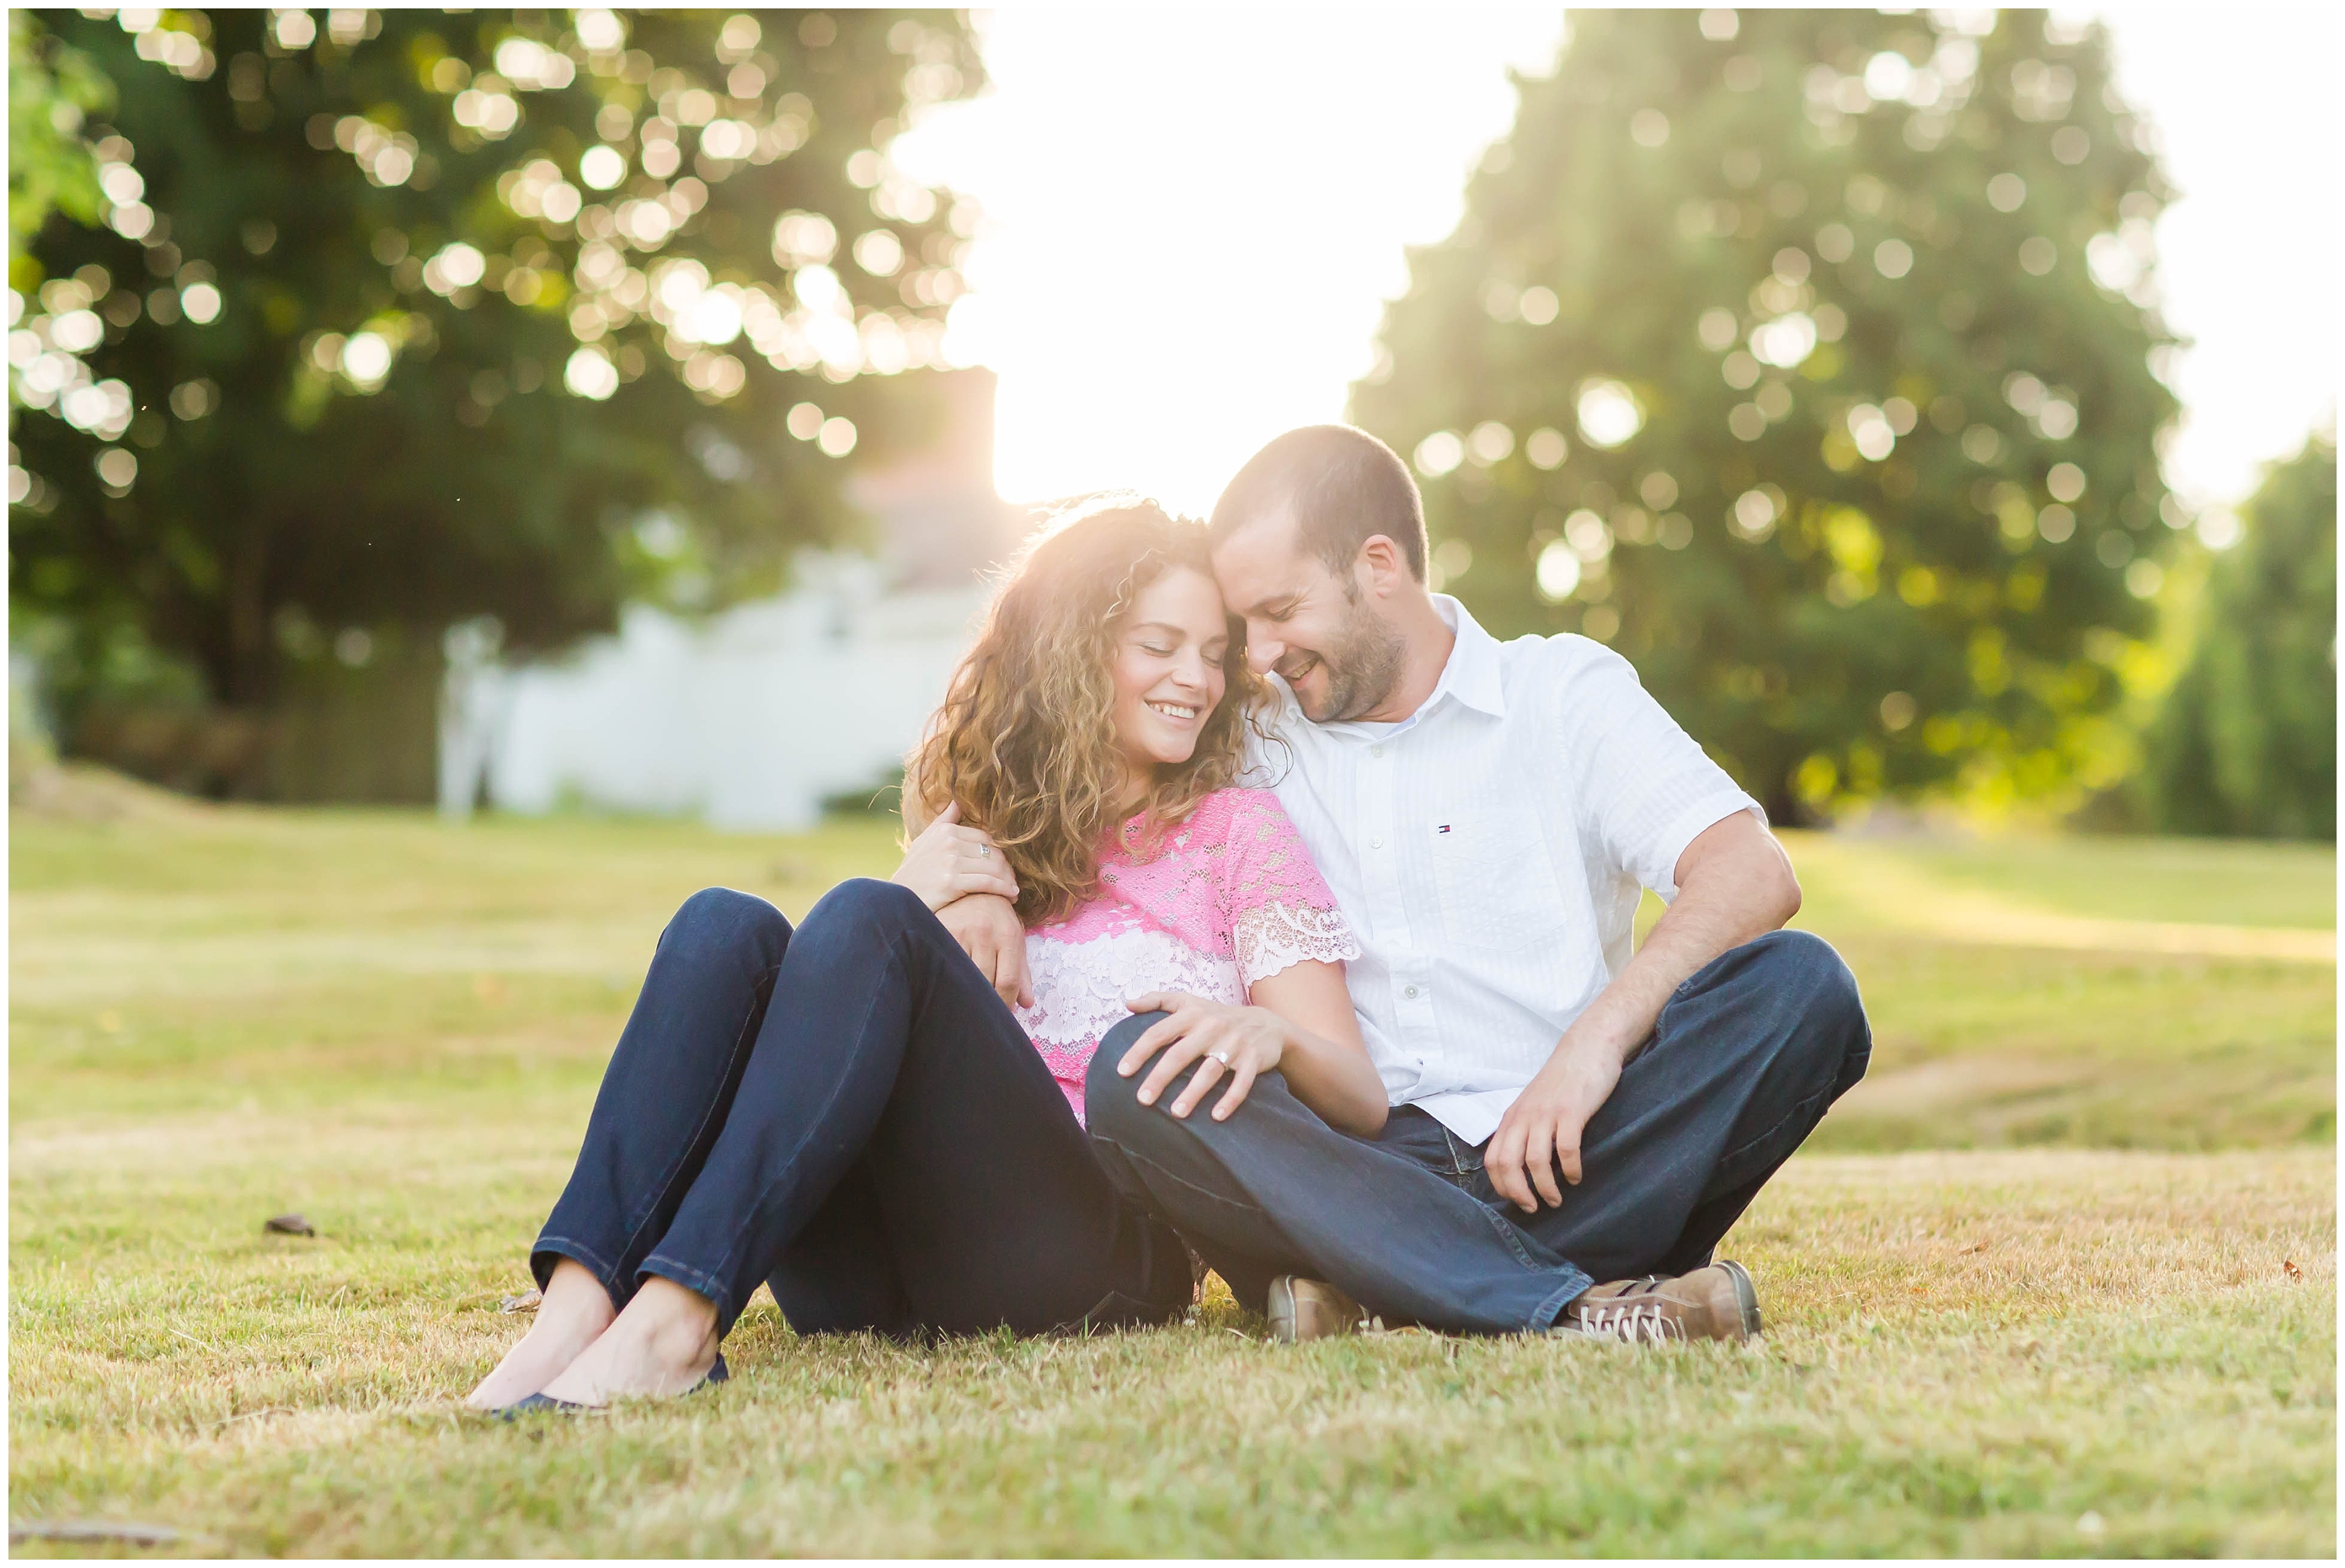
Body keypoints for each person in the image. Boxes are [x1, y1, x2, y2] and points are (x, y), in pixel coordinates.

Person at [946, 428, 1871, 1344]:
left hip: (1572, 1145)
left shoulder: (1562, 692)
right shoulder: (1249, 735)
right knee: (1140, 1068)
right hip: (1341, 1165)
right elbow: (1032, 743)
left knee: (1803, 988)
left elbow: (1751, 870)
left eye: (1277, 610)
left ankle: (1373, 1288)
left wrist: (1592, 1048)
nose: (1256, 655)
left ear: (1378, 565)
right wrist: (975, 871)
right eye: (1244, 629)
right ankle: (1570, 1303)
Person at [464, 499, 1386, 1411]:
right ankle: (574, 1311)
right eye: (1159, 643)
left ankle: (677, 1322)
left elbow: (1359, 1090)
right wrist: (935, 886)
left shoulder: (1236, 833)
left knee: (872, 912)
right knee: (722, 926)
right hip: (869, 1281)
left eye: (1213, 651)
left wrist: (1264, 1030)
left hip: (1086, 1259)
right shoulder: (979, 819)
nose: (1198, 676)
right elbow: (844, 1010)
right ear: (1071, 649)